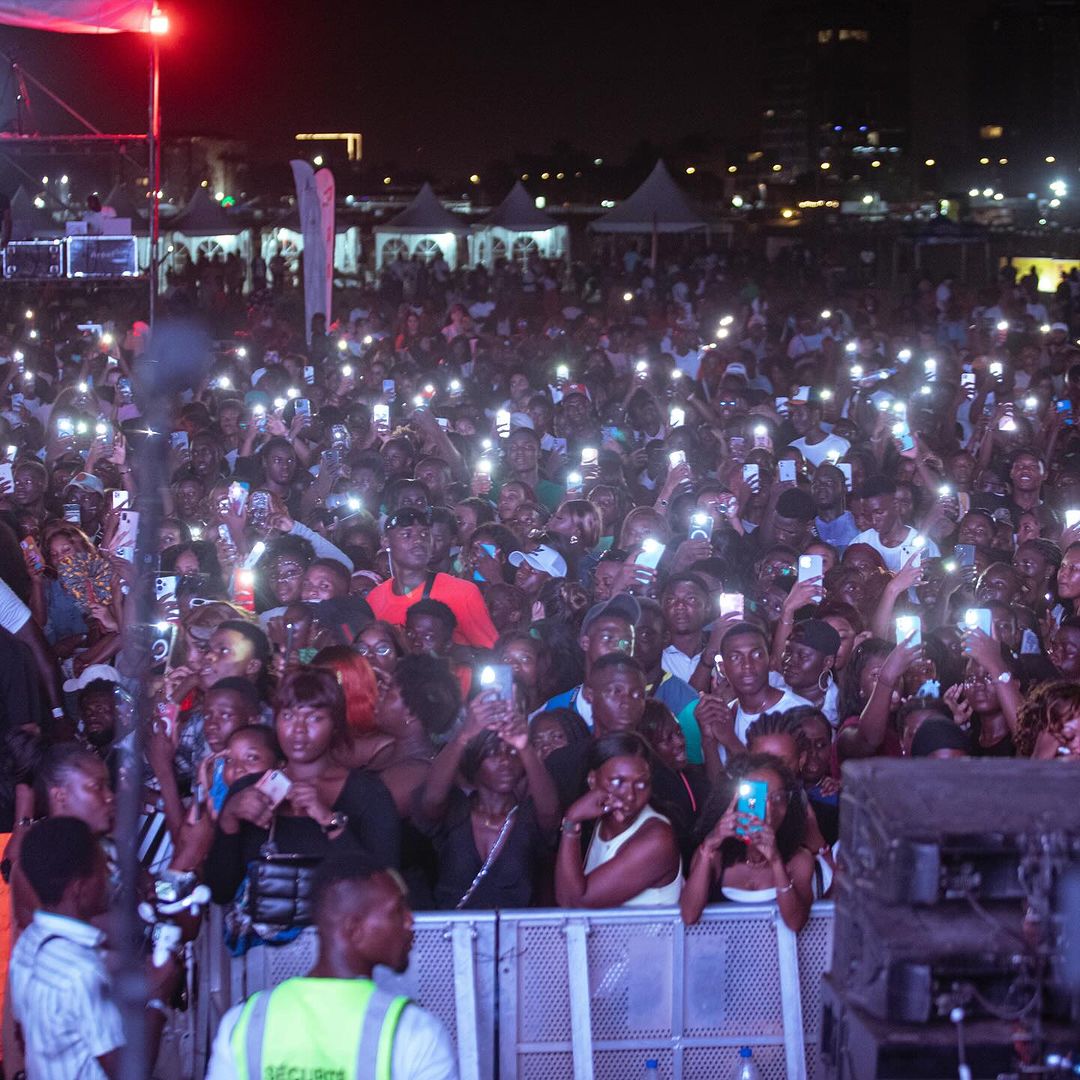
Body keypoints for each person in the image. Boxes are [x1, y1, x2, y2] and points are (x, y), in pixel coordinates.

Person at [205, 854, 458, 1080]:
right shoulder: (414, 1034)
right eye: (397, 911)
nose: (410, 921)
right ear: (354, 930)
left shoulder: (243, 1024)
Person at [10, 817, 179, 1079]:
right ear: (79, 889)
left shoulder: (27, 944)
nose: (109, 878)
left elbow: (21, 1034)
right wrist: (158, 998)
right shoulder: (81, 971)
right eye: (103, 870)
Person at [681, 753, 813, 930]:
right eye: (756, 799)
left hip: (776, 957)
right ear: (734, 802)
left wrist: (775, 861)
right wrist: (708, 848)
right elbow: (689, 915)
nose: (769, 808)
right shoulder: (715, 855)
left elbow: (796, 923)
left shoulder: (799, 860)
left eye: (777, 798)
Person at [555, 733, 683, 908]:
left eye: (641, 784)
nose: (630, 796)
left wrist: (571, 821)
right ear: (592, 780)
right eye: (618, 782)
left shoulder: (657, 840)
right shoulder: (604, 818)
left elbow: (573, 902)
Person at [366, 509, 498, 649]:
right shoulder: (375, 599)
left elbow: (491, 654)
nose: (418, 541)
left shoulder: (462, 593)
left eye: (424, 534)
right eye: (407, 534)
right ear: (386, 542)